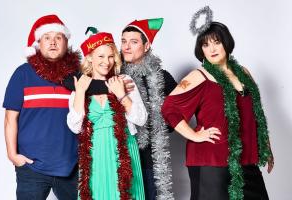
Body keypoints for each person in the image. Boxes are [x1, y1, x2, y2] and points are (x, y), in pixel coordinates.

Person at [162, 6, 274, 200]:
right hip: (212, 162)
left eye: (216, 42)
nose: (211, 49)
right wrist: (194, 135)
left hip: (245, 159)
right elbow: (169, 108)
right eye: (205, 45)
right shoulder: (199, 76)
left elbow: (256, 113)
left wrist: (267, 147)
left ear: (226, 43)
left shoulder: (244, 73)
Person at [3, 14, 103, 200]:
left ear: (66, 42)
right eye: (47, 38)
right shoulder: (22, 74)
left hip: (72, 166)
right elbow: (10, 118)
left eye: (58, 37)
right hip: (32, 167)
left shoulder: (78, 76)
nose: (53, 43)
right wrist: (13, 155)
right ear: (38, 43)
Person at [67, 29, 147, 200]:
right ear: (90, 58)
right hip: (95, 155)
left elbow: (141, 119)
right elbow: (74, 127)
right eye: (101, 56)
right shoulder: (81, 85)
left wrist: (122, 95)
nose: (107, 62)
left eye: (111, 56)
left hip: (123, 152)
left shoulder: (124, 81)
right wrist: (80, 91)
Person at [120, 18, 176, 200]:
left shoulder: (162, 78)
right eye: (123, 41)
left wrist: (153, 122)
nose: (126, 47)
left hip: (151, 158)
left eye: (133, 42)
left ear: (146, 46)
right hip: (121, 156)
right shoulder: (114, 75)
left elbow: (178, 115)